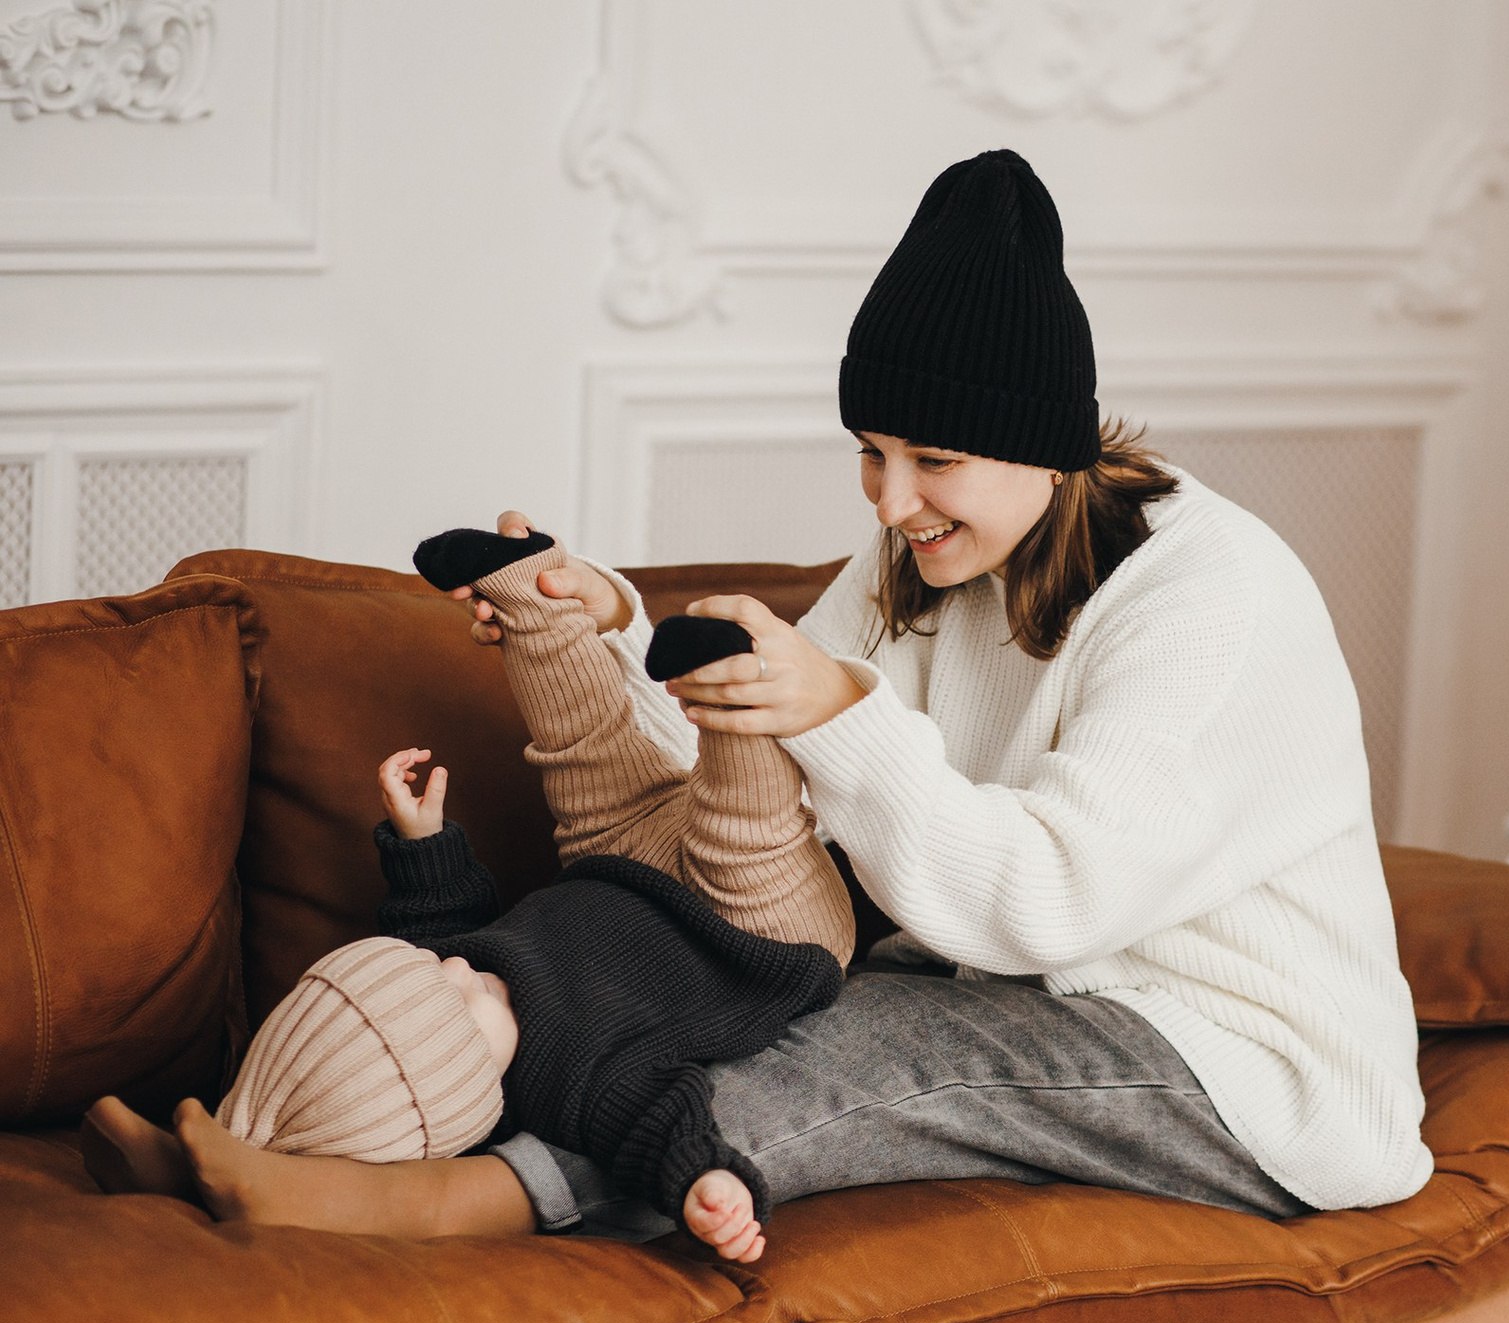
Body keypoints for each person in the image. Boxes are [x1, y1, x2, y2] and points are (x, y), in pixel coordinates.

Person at [93, 147, 1432, 1248]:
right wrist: (600, 625)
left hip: (1236, 1061)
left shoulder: (1213, 598)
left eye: (932, 459)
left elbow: (1048, 904)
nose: (891, 500)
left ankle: (410, 1202)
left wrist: (839, 704)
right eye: (870, 453)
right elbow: (723, 796)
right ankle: (261, 1129)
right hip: (1020, 983)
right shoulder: (933, 550)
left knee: (822, 1052)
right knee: (676, 983)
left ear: (1044, 446)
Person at [84, 530, 861, 1262]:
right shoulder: (571, 1079)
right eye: (453, 1002)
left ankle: (530, 597)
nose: (456, 970)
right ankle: (725, 679)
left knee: (584, 754)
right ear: (459, 1091)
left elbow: (439, 925)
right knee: (743, 824)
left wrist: (423, 842)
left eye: (431, 973)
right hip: (754, 934)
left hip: (621, 855)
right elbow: (657, 1121)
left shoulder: (462, 975)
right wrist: (706, 1182)